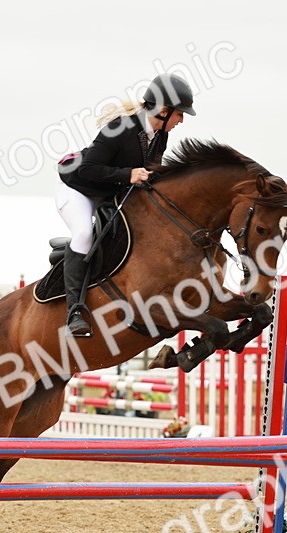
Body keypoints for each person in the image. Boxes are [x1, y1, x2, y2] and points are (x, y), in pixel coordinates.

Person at [55, 73, 195, 337]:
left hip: (110, 191)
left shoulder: (160, 136)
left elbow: (149, 173)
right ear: (164, 111)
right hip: (77, 188)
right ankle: (75, 311)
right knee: (84, 234)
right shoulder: (119, 128)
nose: (182, 120)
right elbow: (88, 169)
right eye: (180, 114)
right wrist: (128, 174)